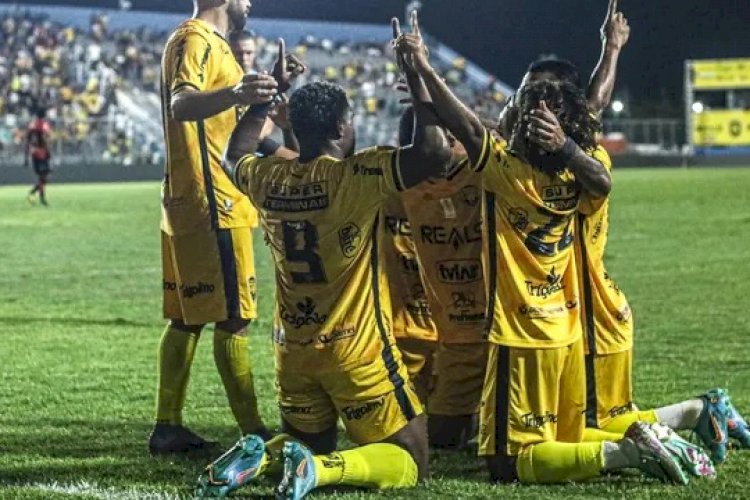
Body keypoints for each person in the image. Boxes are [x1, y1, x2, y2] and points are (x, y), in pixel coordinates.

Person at [394, 14, 711, 485]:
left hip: (523, 332)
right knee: (569, 432)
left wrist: (421, 71)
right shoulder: (586, 165)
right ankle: (662, 429)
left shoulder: (505, 171)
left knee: (507, 461)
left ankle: (631, 450)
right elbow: (590, 132)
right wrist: (609, 53)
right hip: (568, 323)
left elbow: (469, 128)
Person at [196, 19, 452, 499]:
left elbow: (235, 155)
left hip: (293, 352)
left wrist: (264, 99)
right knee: (412, 462)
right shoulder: (358, 176)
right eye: (350, 120)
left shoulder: (269, 178)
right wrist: (418, 76)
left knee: (303, 445)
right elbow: (435, 151)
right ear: (339, 127)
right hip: (356, 352)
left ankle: (263, 457)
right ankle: (320, 471)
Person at [151, 0, 280, 455]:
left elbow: (233, 129)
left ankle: (167, 425)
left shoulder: (211, 45)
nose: (249, 3)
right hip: (214, 201)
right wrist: (238, 93)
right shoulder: (195, 39)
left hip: (192, 199)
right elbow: (181, 103)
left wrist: (268, 94)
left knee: (187, 317)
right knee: (235, 316)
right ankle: (254, 430)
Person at [388, 106, 489, 449]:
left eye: (454, 138)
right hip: (421, 330)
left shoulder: (482, 175)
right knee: (436, 435)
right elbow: (322, 168)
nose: (453, 147)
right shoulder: (392, 185)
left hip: (489, 327)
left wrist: (448, 106)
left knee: (447, 434)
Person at [25, 107, 53, 207]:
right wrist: (49, 151)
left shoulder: (31, 125)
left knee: (43, 177)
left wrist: (26, 157)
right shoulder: (44, 124)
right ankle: (37, 196)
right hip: (42, 153)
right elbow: (45, 138)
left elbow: (27, 141)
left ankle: (37, 195)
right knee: (45, 177)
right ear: (44, 115)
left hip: (34, 153)